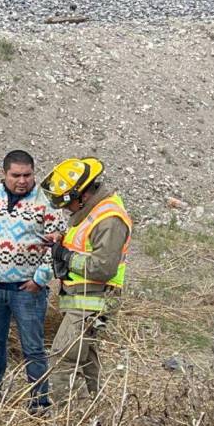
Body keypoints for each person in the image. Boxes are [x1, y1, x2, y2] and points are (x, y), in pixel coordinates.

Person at [0, 150, 65, 410]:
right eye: (16, 175)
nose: (22, 180)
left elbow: (57, 245)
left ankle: (38, 400)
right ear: (4, 173)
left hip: (27, 290)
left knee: (32, 346)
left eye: (28, 175)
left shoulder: (46, 203)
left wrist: (40, 279)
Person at [40, 158, 132, 401]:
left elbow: (103, 267)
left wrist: (66, 256)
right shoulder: (90, 211)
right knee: (86, 360)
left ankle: (68, 422)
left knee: (63, 359)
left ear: (81, 194)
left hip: (93, 302)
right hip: (82, 300)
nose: (64, 209)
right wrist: (61, 240)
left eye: (66, 203)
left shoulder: (109, 219)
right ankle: (95, 415)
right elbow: (86, 243)